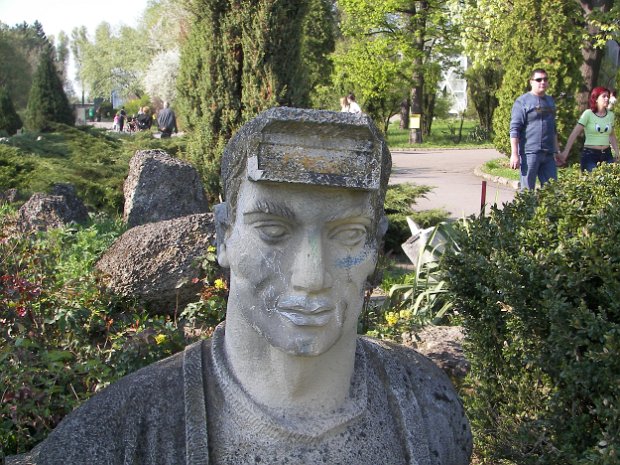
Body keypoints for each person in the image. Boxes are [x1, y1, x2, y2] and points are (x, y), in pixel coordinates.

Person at [7, 108, 471, 465]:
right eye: (273, 230)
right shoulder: (119, 435)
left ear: (374, 244)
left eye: (346, 233)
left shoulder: (428, 407)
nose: (310, 277)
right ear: (224, 236)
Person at [509, 68, 561, 189]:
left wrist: (557, 151)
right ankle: (525, 209)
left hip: (548, 154)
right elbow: (514, 129)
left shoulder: (550, 101)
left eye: (545, 79)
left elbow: (553, 129)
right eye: (539, 79)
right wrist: (514, 154)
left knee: (551, 192)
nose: (542, 82)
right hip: (529, 153)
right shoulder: (522, 102)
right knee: (527, 192)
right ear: (531, 82)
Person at [559, 86, 619, 171]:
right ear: (596, 99)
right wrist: (566, 152)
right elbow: (574, 133)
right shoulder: (588, 114)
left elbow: (612, 135)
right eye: (604, 96)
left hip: (607, 154)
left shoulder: (610, 115)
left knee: (607, 182)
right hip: (590, 155)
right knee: (593, 182)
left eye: (608, 96)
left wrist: (617, 152)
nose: (607, 98)